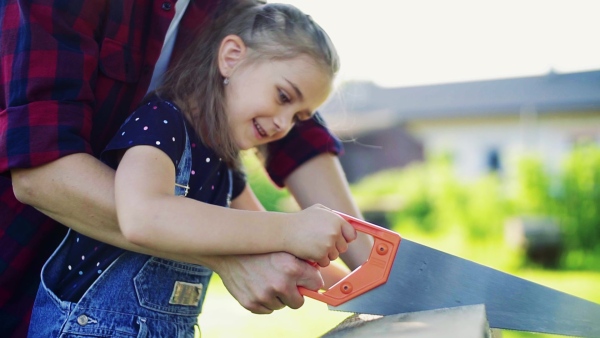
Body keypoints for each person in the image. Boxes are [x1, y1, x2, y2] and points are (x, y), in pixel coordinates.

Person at [1, 0, 373, 336]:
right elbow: (142, 214)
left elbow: (282, 251)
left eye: (299, 117)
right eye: (283, 98)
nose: (283, 126)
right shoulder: (161, 126)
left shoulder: (222, 164)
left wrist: (370, 284)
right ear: (230, 57)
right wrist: (282, 231)